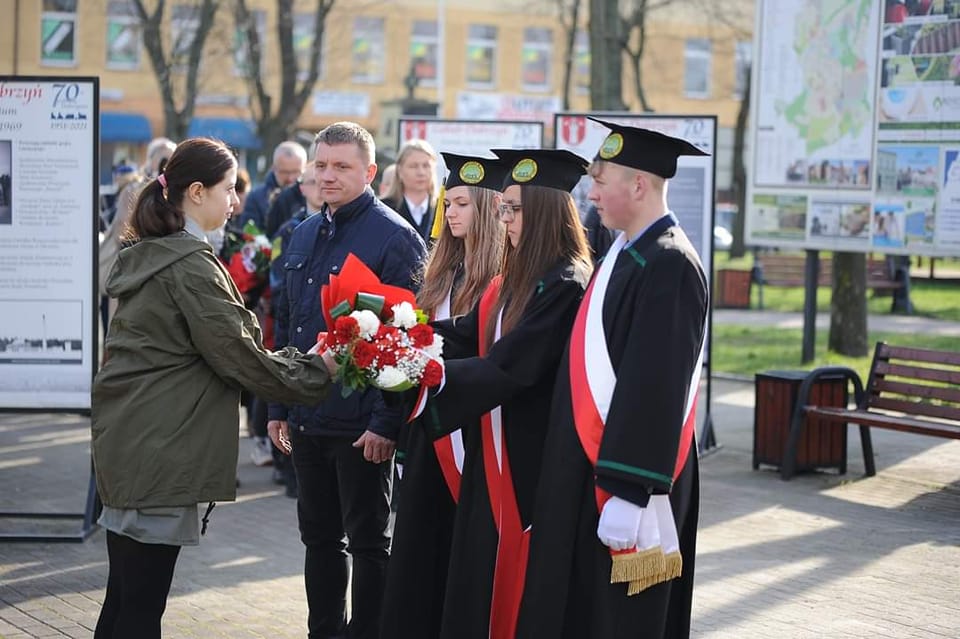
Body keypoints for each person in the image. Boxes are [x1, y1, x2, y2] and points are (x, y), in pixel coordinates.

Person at [91, 137, 336, 638]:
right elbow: (239, 357)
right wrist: (321, 369)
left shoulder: (155, 252)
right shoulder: (189, 265)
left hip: (135, 441)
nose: (236, 202)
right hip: (159, 447)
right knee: (139, 609)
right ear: (196, 192)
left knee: (124, 601)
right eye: (228, 189)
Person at [516, 119, 709, 639]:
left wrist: (628, 491)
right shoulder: (626, 251)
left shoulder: (670, 263)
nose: (591, 191)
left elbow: (656, 389)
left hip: (629, 483)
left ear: (639, 186)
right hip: (592, 467)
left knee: (620, 619)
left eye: (602, 180)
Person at [415, 148, 593, 638]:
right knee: (477, 571)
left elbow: (511, 366)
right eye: (505, 208)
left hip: (527, 456)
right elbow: (469, 332)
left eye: (514, 208)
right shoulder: (516, 277)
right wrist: (402, 337)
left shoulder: (565, 282)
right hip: (492, 449)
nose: (506, 218)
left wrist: (427, 375)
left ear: (543, 212)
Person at [267, 121, 426, 639]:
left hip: (362, 425)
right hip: (308, 415)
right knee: (318, 539)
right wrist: (277, 406)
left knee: (367, 542)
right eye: (322, 165)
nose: (328, 175)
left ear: (371, 173)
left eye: (342, 166)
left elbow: (407, 340)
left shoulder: (396, 237)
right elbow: (288, 324)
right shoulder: (304, 232)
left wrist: (386, 424)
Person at [381, 153, 507, 638]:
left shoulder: (503, 276)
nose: (451, 213)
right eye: (447, 203)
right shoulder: (439, 272)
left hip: (476, 433)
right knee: (420, 546)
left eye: (462, 204)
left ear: (490, 210)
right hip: (430, 433)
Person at [240, 140, 307, 232]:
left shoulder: (312, 195)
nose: (290, 178)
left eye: (296, 172)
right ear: (274, 168)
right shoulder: (256, 198)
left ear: (304, 169)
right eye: (285, 172)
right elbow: (249, 234)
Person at [381, 139, 440, 240]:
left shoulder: (445, 208)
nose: (421, 172)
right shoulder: (384, 210)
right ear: (400, 170)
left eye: (426, 166)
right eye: (413, 166)